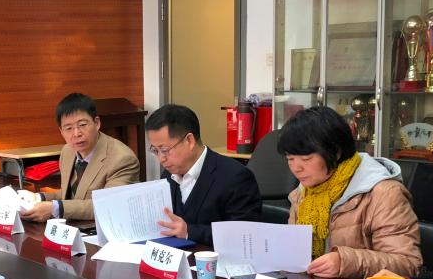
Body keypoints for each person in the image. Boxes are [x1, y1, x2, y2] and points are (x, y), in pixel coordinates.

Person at [278, 106, 422, 279]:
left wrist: (345, 262)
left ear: (336, 152)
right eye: (290, 159)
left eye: (306, 159)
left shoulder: (384, 193)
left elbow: (407, 264)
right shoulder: (304, 192)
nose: (296, 168)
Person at [145, 103, 261, 246]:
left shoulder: (236, 177)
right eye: (155, 151)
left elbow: (244, 235)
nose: (161, 159)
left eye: (164, 150)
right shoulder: (168, 175)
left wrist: (189, 232)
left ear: (189, 141)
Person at [19, 92, 140, 222]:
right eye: (68, 128)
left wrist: (56, 208)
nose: (76, 133)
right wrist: (38, 198)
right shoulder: (67, 151)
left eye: (82, 125)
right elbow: (73, 195)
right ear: (61, 131)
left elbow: (109, 205)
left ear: (97, 123)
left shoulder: (122, 159)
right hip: (75, 227)